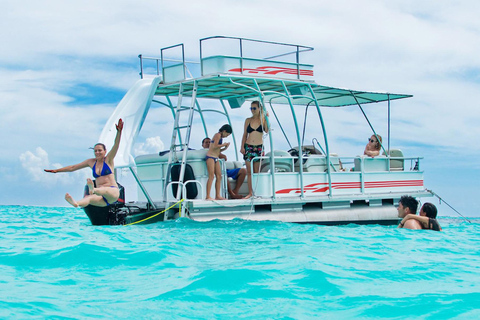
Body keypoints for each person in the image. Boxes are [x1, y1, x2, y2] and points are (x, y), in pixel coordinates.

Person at [44, 119, 124, 208]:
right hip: (101, 198)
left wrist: (119, 132)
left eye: (99, 150)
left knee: (103, 189)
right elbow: (72, 167)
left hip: (112, 192)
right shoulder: (91, 162)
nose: (97, 152)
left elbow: (116, 144)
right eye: (95, 151)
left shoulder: (108, 159)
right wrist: (56, 170)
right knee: (88, 199)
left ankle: (93, 190)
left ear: (105, 151)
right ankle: (76, 203)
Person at [240, 100, 269, 199]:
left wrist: (266, 117)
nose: (252, 110)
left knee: (257, 172)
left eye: (254, 108)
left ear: (259, 108)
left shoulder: (263, 119)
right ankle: (250, 193)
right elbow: (245, 134)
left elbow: (267, 130)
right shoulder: (248, 120)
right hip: (249, 146)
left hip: (259, 147)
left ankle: (257, 192)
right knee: (249, 172)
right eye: (251, 108)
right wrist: (242, 146)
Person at [205, 125, 232, 200]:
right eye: (227, 134)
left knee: (219, 176)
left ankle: (218, 195)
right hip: (210, 157)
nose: (226, 136)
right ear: (224, 131)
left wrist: (225, 148)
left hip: (216, 157)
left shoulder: (221, 138)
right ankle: (208, 196)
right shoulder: (217, 135)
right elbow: (214, 146)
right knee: (211, 176)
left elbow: (217, 150)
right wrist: (224, 144)